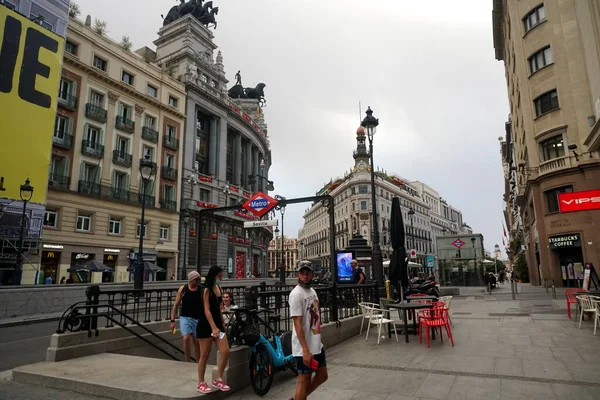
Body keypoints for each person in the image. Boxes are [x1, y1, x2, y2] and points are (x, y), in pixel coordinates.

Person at [289, 260, 328, 400]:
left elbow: (315, 312)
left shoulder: (312, 291)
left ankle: (298, 398)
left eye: (308, 273)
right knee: (303, 381)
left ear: (312, 274)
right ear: (298, 275)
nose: (305, 276)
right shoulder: (296, 294)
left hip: (316, 343)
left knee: (323, 375)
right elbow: (297, 324)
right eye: (302, 273)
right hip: (304, 347)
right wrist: (305, 350)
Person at [196, 266, 230, 394]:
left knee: (225, 351)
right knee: (204, 355)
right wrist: (213, 327)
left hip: (218, 325)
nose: (221, 278)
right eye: (220, 275)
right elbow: (207, 310)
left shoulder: (219, 288)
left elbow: (219, 307)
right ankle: (201, 382)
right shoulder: (206, 290)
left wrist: (221, 323)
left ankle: (218, 378)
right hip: (206, 325)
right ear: (214, 275)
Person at [170, 271, 202, 362]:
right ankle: (187, 360)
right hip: (185, 317)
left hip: (197, 318)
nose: (197, 282)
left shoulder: (201, 289)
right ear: (191, 280)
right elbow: (176, 305)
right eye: (196, 280)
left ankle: (198, 362)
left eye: (198, 280)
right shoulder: (183, 289)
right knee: (186, 337)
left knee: (197, 342)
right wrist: (172, 321)